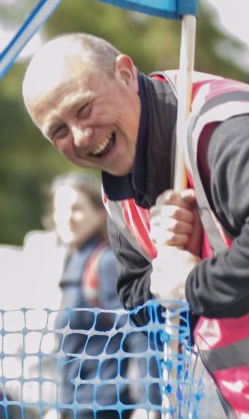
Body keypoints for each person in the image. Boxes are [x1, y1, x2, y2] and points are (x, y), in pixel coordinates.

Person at [22, 33, 249, 419]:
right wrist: (167, 270)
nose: (80, 136)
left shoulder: (221, 130)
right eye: (58, 131)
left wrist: (191, 284)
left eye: (84, 108)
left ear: (125, 73)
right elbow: (136, 298)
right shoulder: (117, 192)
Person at [43, 171, 162, 419]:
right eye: (60, 209)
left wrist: (147, 404)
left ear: (99, 214)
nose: (67, 218)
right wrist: (60, 408)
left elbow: (139, 334)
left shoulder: (105, 263)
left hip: (106, 408)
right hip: (77, 409)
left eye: (77, 209)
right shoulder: (72, 261)